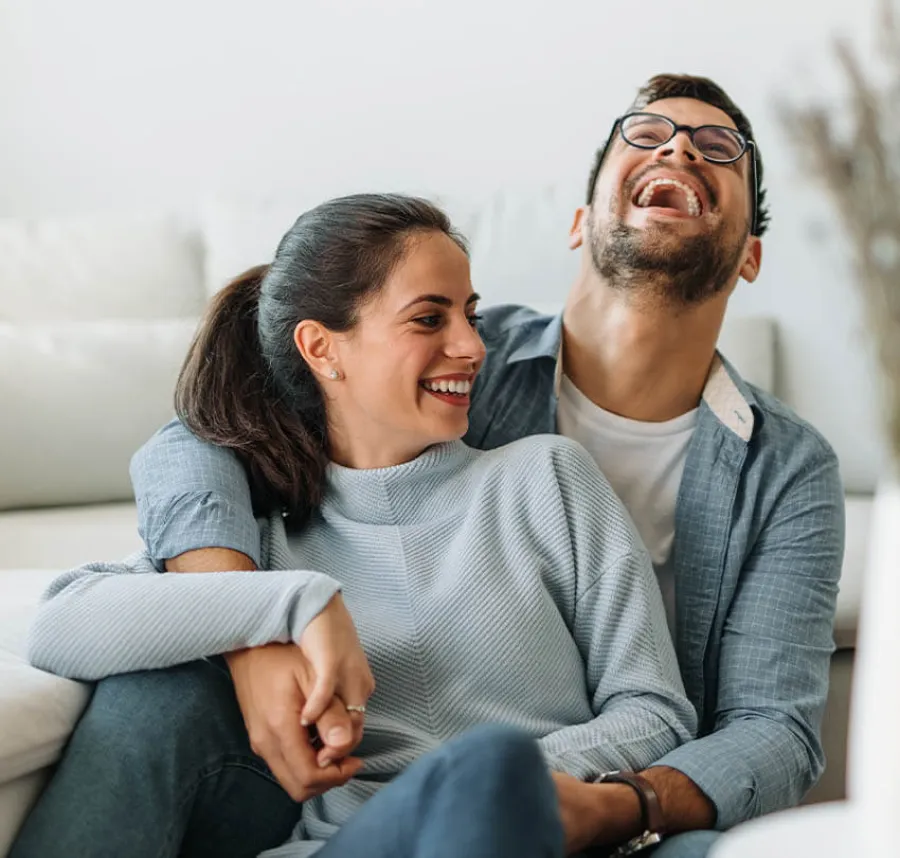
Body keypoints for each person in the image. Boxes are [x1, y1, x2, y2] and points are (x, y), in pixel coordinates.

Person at [18, 72, 846, 858]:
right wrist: (262, 620)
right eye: (649, 133)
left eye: (718, 146)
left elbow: (764, 727)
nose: (677, 151)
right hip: (355, 827)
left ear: (749, 258)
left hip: (596, 797)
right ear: (578, 222)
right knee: (150, 695)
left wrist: (578, 798)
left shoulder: (735, 471)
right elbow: (199, 440)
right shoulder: (355, 446)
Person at [10, 194, 696, 858]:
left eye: (470, 315)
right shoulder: (265, 534)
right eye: (429, 320)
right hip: (352, 844)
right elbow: (58, 626)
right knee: (147, 691)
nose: (470, 346)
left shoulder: (547, 480)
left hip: (529, 825)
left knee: (489, 767)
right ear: (321, 348)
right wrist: (294, 601)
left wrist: (489, 782)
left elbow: (654, 710)